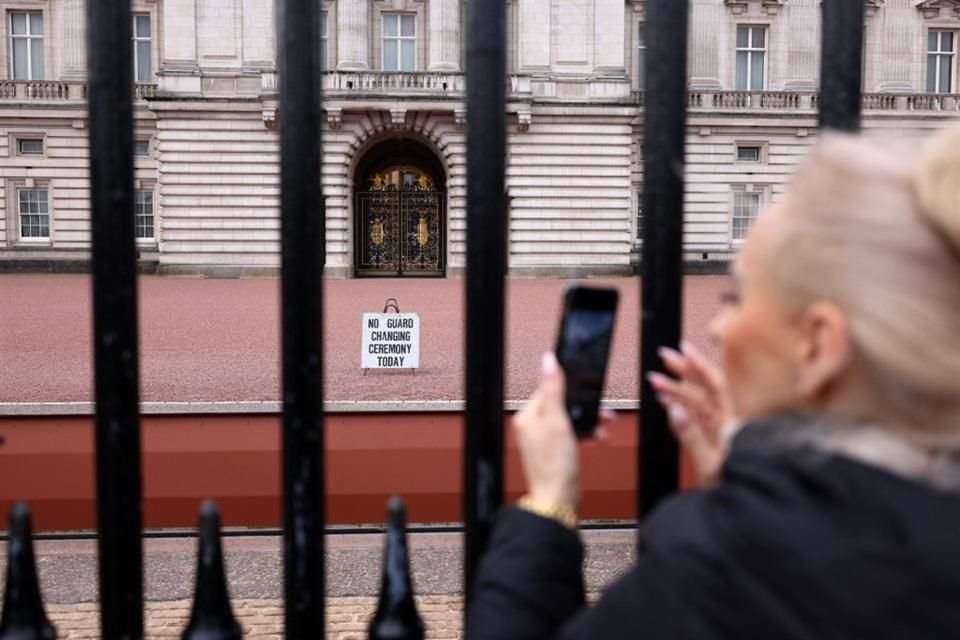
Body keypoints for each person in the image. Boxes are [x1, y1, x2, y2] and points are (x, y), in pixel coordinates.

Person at [466, 127, 960, 639]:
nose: (718, 328)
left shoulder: (727, 563)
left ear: (819, 346)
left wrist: (548, 504)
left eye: (738, 298)